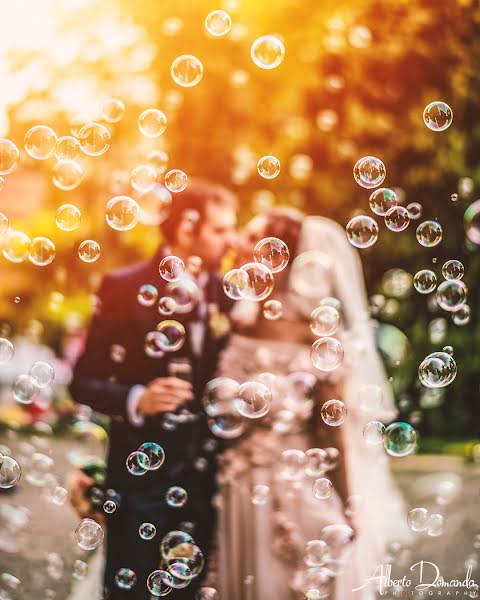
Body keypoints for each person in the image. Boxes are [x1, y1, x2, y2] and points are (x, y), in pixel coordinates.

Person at [207, 208, 408, 599]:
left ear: (280, 254)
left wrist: (348, 500)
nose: (238, 244)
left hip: (293, 482)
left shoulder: (317, 330)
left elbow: (328, 421)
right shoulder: (237, 315)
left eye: (252, 237)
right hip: (235, 481)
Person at [68, 179, 237, 600]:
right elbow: (82, 380)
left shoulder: (229, 294)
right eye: (219, 230)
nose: (229, 241)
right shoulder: (123, 287)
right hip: (140, 479)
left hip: (207, 481)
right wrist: (134, 399)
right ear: (185, 230)